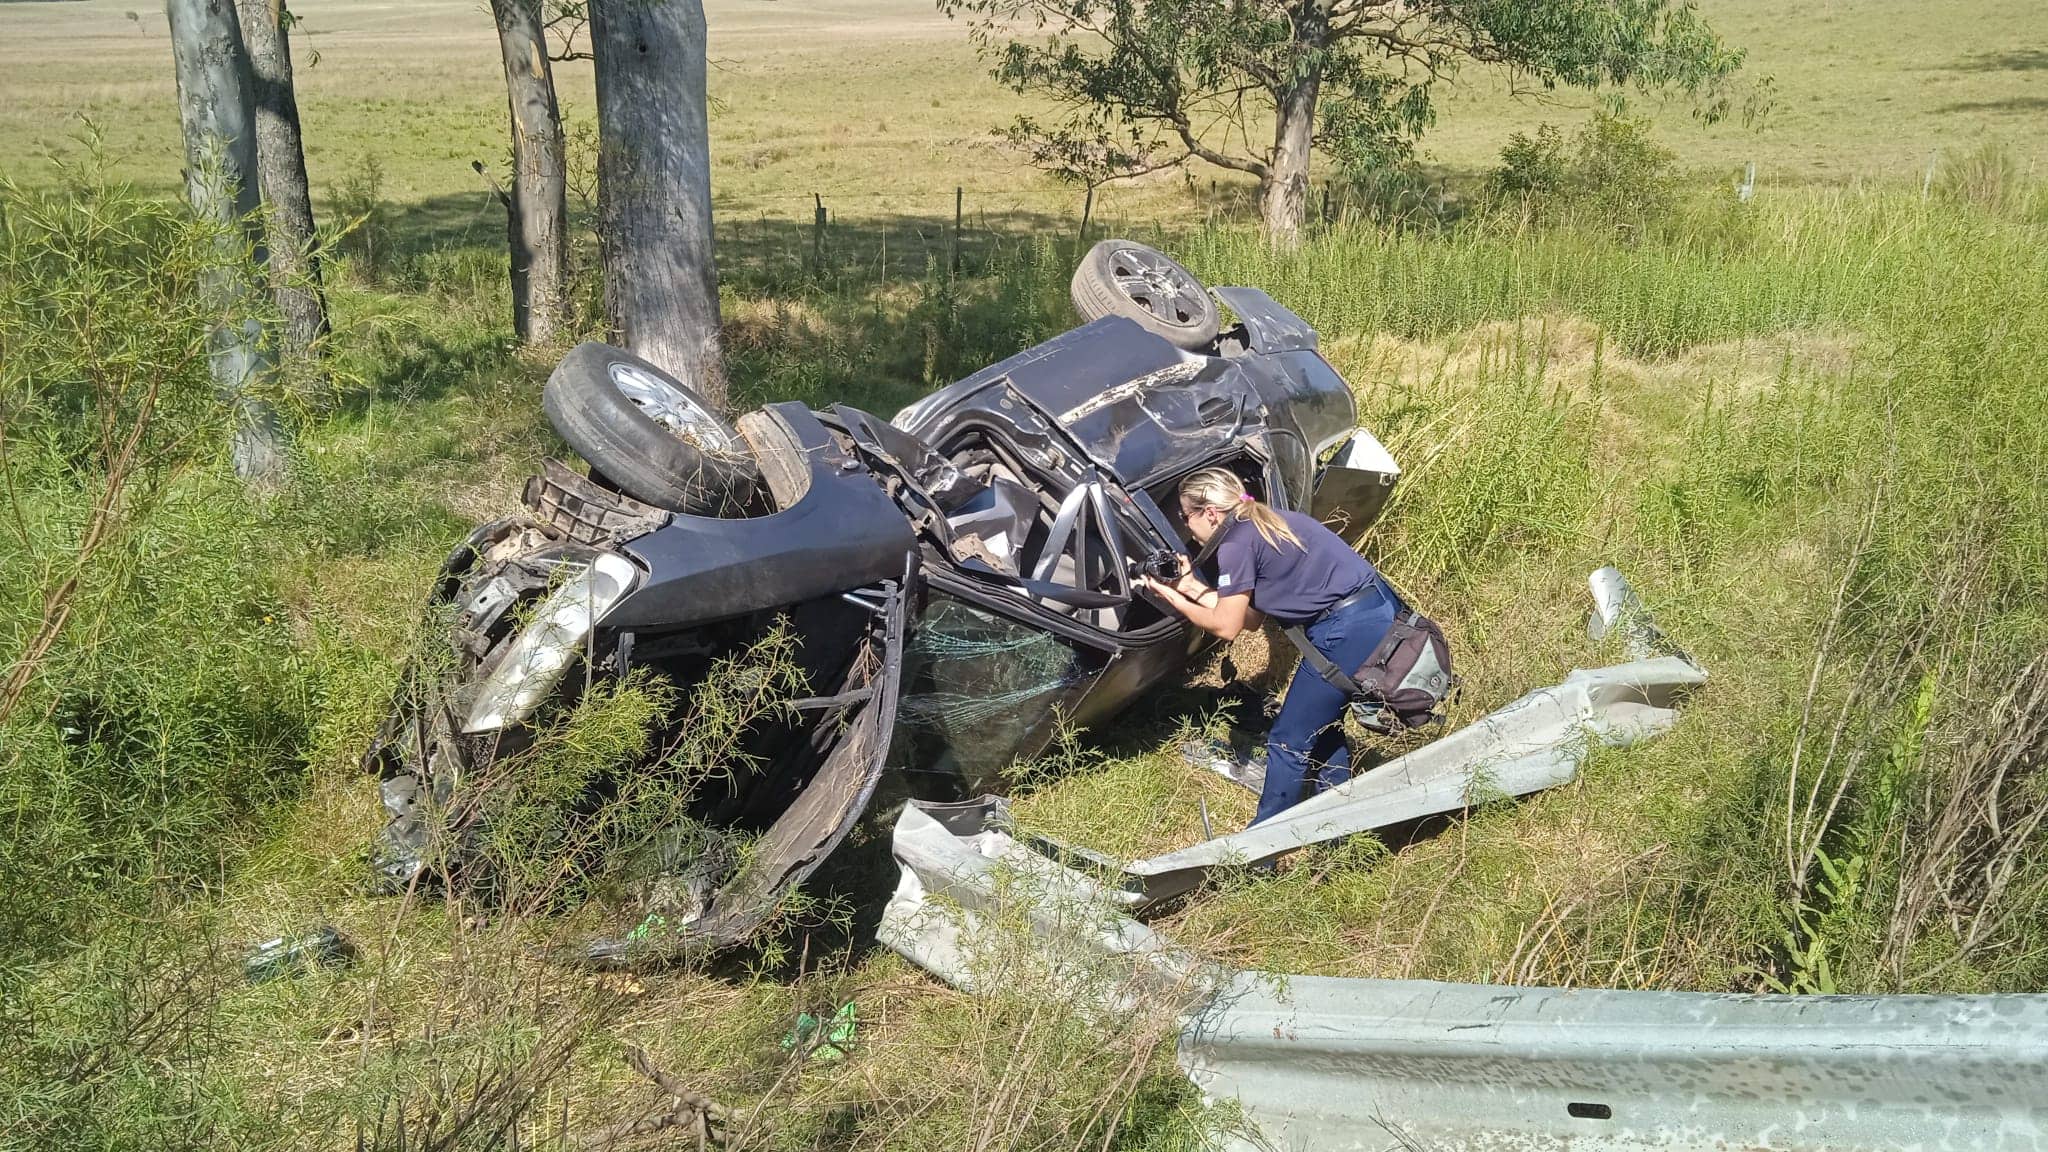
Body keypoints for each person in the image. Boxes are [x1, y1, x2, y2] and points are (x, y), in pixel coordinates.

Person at [1135, 467, 1396, 825]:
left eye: (1185, 516)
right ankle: (1340, 825)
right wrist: (1190, 587)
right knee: (1321, 726)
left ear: (1210, 513)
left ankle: (1263, 849)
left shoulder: (1235, 544)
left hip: (1346, 630)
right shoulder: (1267, 523)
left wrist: (1171, 599)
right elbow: (1251, 619)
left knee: (1288, 740)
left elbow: (1227, 628)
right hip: (1375, 613)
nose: (1185, 527)